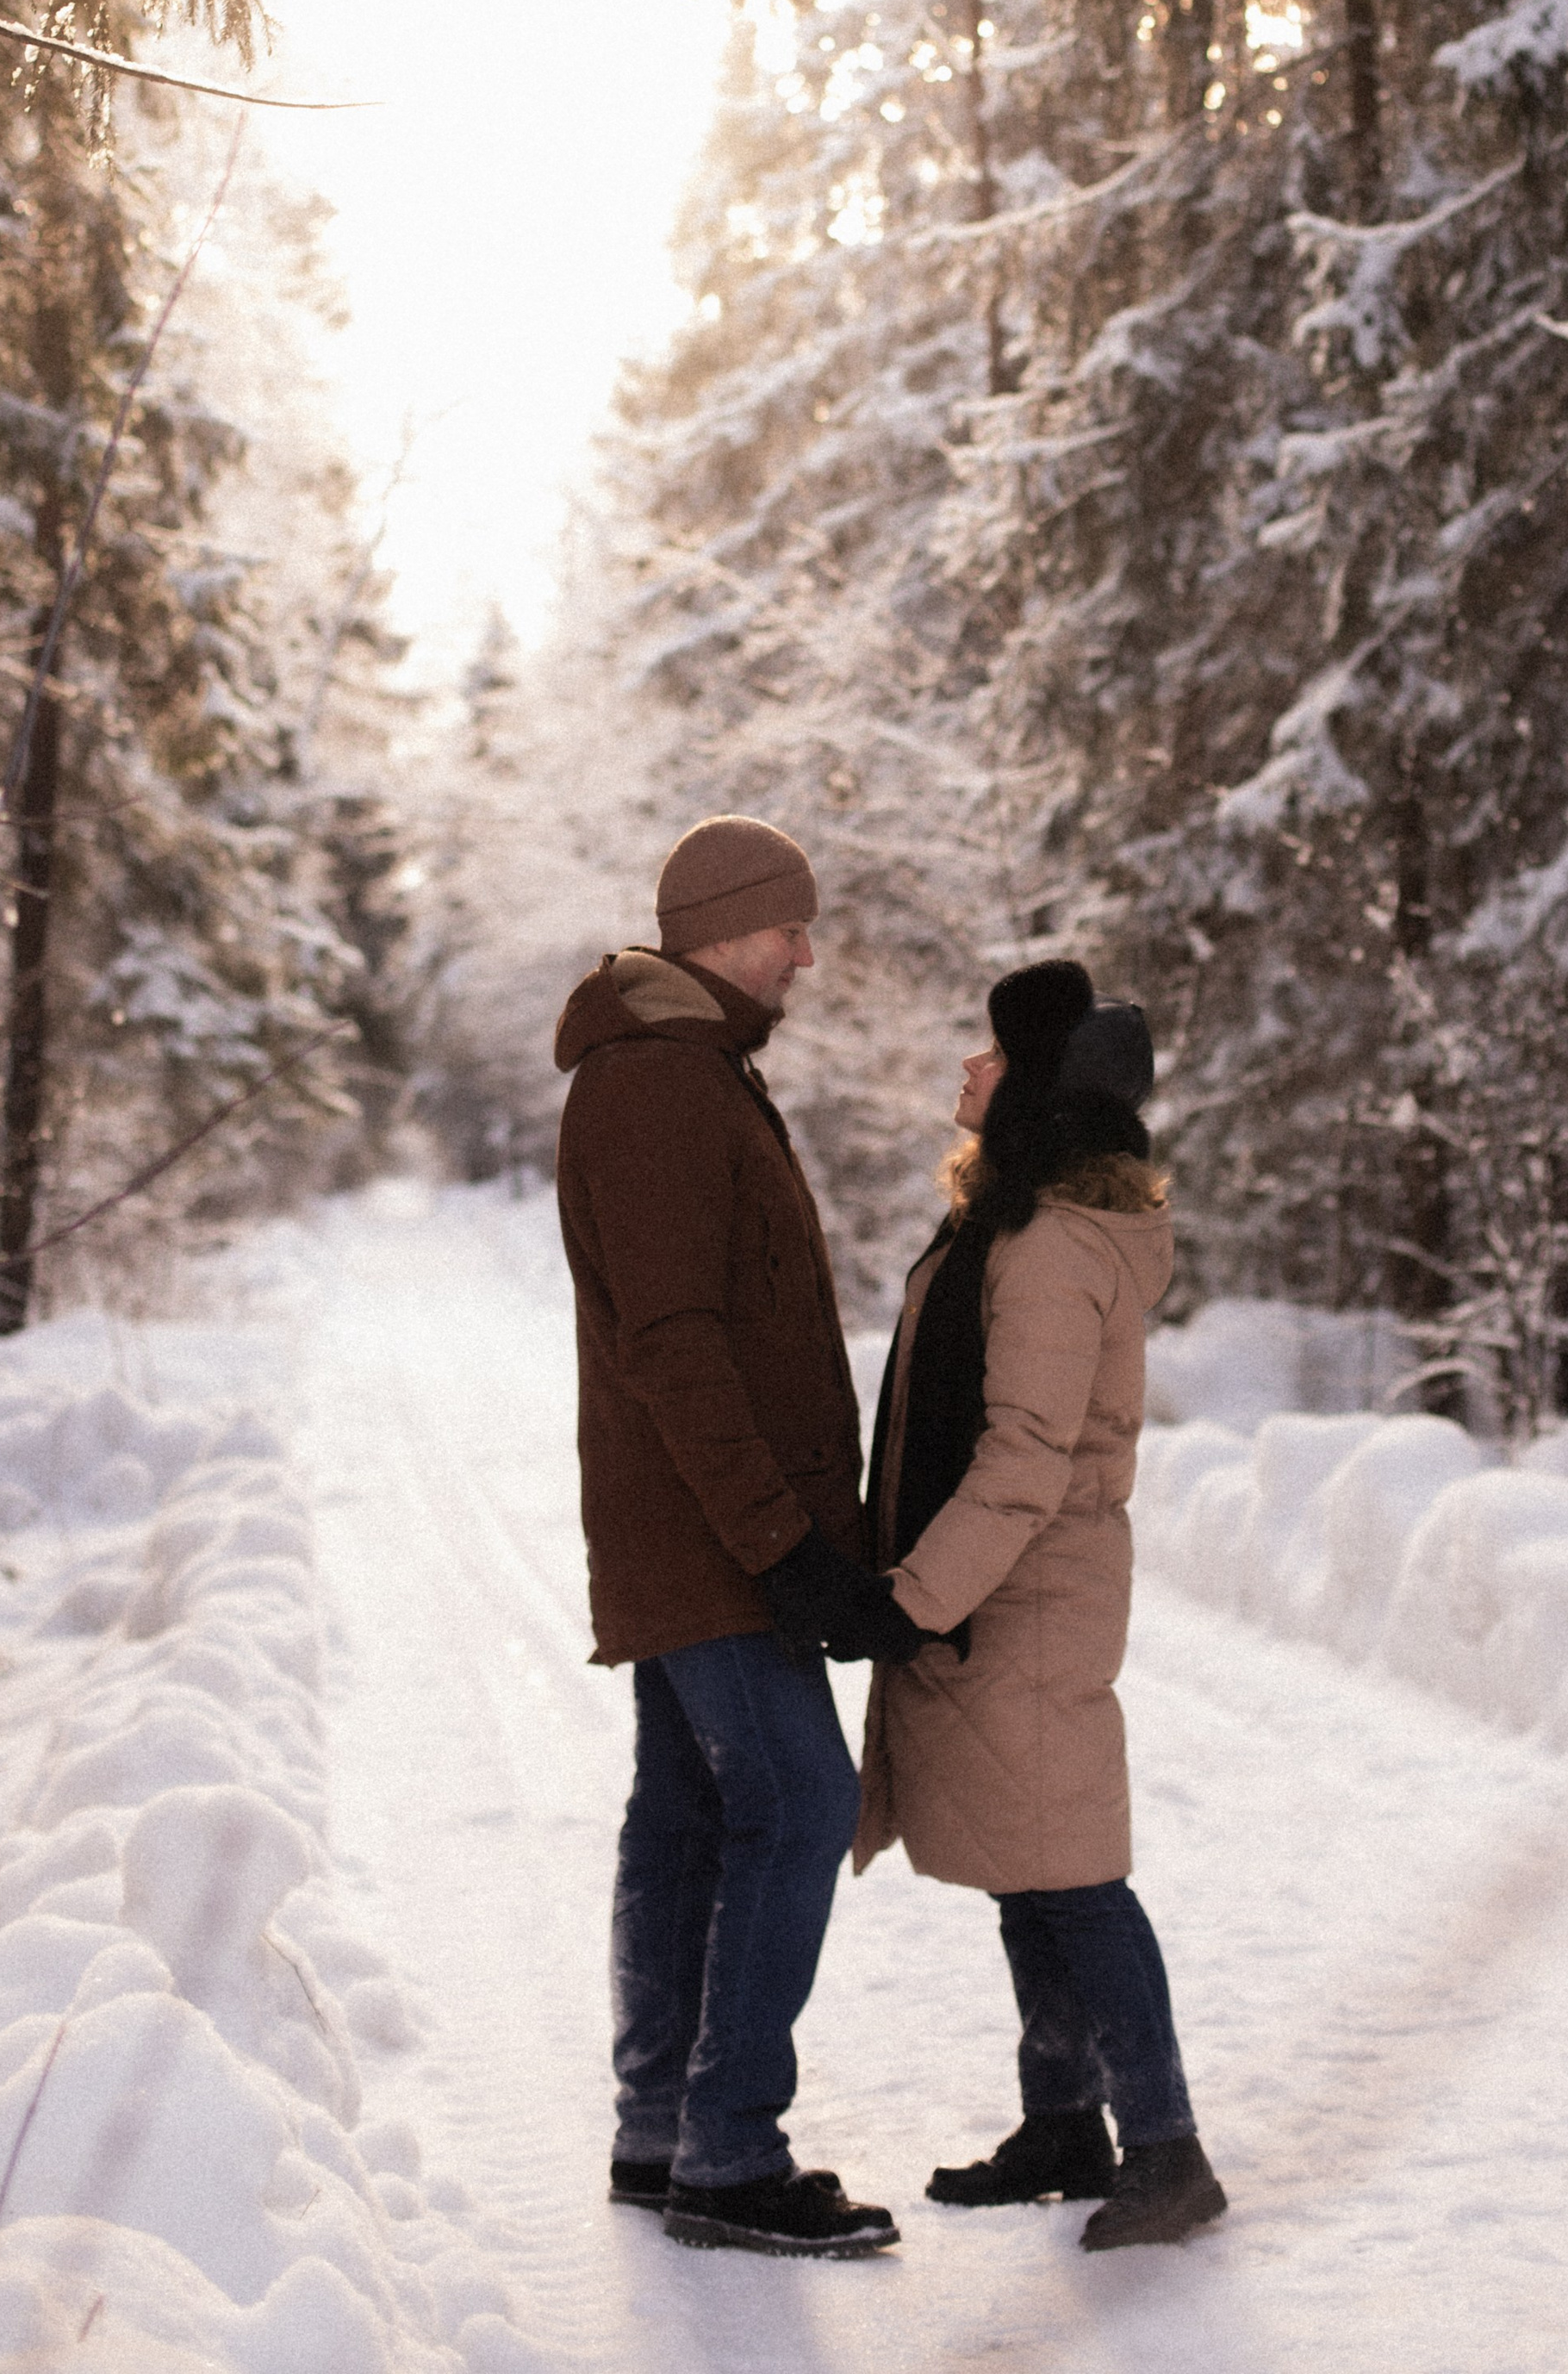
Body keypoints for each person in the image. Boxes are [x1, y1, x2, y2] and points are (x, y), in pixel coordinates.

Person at [552, 814, 927, 2262]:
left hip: (702, 1531)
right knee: (802, 1800)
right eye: (790, 928)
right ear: (720, 928)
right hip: (705, 1537)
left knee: (692, 1810)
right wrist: (782, 1545)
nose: (807, 955)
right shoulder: (655, 1088)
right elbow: (678, 1343)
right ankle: (727, 2151)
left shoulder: (688, 1073)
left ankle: (664, 2132)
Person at [855, 957, 1229, 2251]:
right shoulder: (1013, 1226)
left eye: (993, 1058)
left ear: (1040, 1097)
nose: (968, 1073)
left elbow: (1024, 1459)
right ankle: (1064, 2123)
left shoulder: (1056, 1248)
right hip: (1000, 1587)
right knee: (1031, 1867)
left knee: (1073, 1875)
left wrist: (912, 1596)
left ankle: (1168, 2149)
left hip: (1033, 1592)